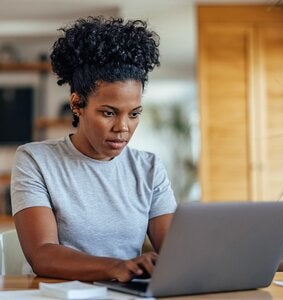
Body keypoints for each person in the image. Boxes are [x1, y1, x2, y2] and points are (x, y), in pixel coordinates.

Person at [10, 16, 177, 282]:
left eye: (134, 114)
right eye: (108, 113)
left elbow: (176, 253)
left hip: (127, 294)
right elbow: (42, 254)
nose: (123, 127)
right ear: (77, 104)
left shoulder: (149, 168)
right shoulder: (35, 160)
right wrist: (117, 267)